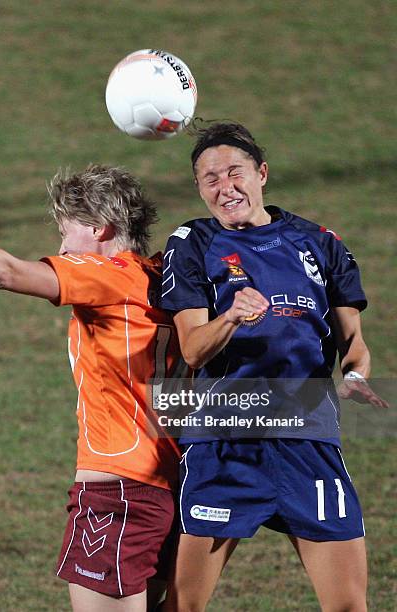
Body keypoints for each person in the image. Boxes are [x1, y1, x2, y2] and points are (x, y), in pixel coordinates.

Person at [0, 167, 183, 612]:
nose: (59, 248)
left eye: (66, 232)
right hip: (171, 490)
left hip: (118, 494)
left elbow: (6, 272)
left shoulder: (108, 275)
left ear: (98, 228)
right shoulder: (168, 279)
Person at [159, 122, 388, 612]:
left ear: (261, 173)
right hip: (224, 444)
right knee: (183, 605)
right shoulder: (193, 243)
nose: (225, 188)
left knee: (349, 606)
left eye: (235, 173)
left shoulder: (320, 243)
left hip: (308, 441)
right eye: (210, 179)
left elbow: (355, 346)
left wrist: (354, 376)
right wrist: (232, 318)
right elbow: (194, 349)